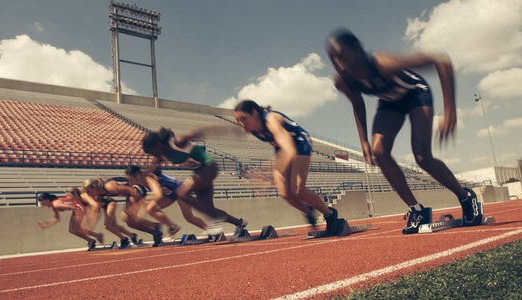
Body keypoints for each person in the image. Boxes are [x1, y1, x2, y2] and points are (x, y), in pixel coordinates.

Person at [326, 28, 482, 234]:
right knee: (379, 151)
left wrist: (450, 111)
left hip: (415, 93)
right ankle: (416, 209)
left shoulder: (383, 63)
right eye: (334, 60)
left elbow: (440, 60)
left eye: (343, 56)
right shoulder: (342, 81)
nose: (340, 64)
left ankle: (465, 197)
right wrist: (363, 140)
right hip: (390, 103)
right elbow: (357, 103)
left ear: (358, 50)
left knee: (422, 156)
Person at [233, 100, 340, 235]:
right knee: (285, 193)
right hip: (281, 147)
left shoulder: (271, 120)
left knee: (298, 189)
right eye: (238, 121)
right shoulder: (254, 128)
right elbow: (281, 147)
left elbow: (290, 150)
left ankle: (330, 214)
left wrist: (267, 172)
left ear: (254, 113)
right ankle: (308, 210)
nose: (242, 125)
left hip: (300, 142)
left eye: (243, 119)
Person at [141, 127, 248, 236]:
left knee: (180, 193)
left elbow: (203, 131)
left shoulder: (178, 141)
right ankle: (239, 223)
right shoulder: (161, 155)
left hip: (209, 167)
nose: (153, 156)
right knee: (209, 210)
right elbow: (150, 167)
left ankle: (216, 219)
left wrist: (231, 131)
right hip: (200, 173)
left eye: (152, 152)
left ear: (158, 145)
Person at [125, 165, 209, 236]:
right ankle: (172, 227)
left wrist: (142, 210)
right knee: (151, 209)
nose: (130, 182)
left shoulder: (148, 179)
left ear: (137, 176)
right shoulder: (141, 181)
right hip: (170, 194)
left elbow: (158, 195)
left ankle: (209, 229)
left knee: (189, 218)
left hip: (181, 191)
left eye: (130, 180)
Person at [82, 177, 147, 248]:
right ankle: (132, 235)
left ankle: (124, 239)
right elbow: (97, 210)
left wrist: (140, 204)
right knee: (114, 226)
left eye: (89, 192)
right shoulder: (97, 194)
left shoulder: (109, 187)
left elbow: (131, 190)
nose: (88, 194)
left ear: (94, 188)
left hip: (135, 189)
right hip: (111, 202)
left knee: (108, 225)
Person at [37, 188, 104, 251]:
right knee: (73, 230)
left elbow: (72, 206)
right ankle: (95, 237)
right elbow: (57, 219)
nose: (41, 204)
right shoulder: (54, 205)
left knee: (76, 229)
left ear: (47, 200)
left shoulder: (56, 204)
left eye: (41, 201)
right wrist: (46, 223)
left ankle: (93, 239)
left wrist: (80, 214)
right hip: (76, 208)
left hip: (78, 207)